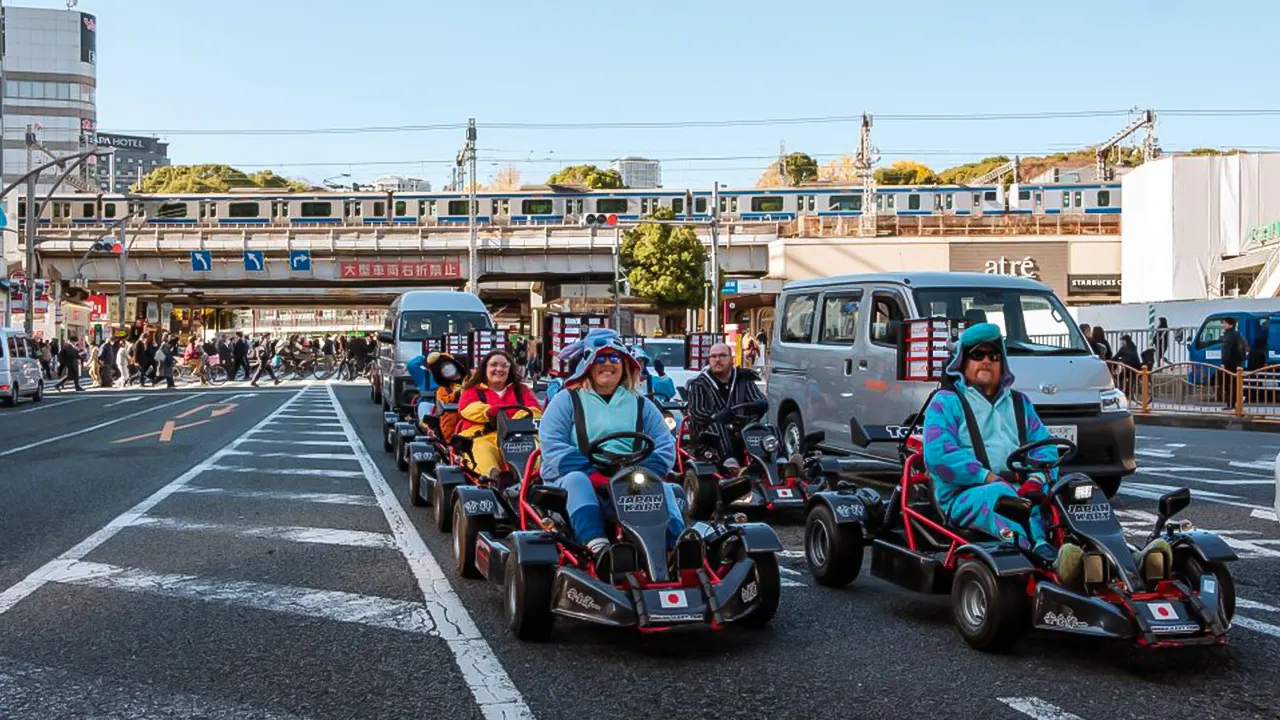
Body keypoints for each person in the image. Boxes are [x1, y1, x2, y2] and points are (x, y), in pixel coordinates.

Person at [538, 328, 683, 566]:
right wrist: (592, 472)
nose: (608, 364)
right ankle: (597, 547)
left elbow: (665, 444)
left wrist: (648, 470)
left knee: (663, 489)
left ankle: (676, 546)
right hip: (580, 476)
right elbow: (551, 443)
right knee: (577, 481)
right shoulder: (567, 399)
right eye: (600, 358)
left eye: (614, 358)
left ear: (625, 365)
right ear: (587, 364)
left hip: (631, 475)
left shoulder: (640, 403)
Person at [457, 350, 542, 480]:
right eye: (494, 365)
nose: (499, 369)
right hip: (483, 436)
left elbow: (535, 410)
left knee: (537, 452)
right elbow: (467, 408)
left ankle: (534, 479)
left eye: (504, 365)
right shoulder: (473, 390)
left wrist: (516, 419)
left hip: (518, 438)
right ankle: (495, 478)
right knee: (483, 451)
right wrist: (489, 412)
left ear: (510, 369)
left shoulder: (522, 390)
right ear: (485, 368)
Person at [685, 341, 767, 473]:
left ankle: (781, 461)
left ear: (731, 359)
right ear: (709, 360)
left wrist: (760, 404)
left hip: (740, 431)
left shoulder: (743, 380)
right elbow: (697, 413)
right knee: (719, 426)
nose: (717, 360)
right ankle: (731, 465)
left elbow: (758, 399)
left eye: (722, 356)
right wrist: (716, 417)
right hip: (708, 439)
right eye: (713, 356)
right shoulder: (700, 384)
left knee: (766, 428)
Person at [422, 351, 468, 442]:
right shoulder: (442, 391)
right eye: (442, 368)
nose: (447, 368)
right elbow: (446, 403)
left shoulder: (472, 378)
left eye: (447, 364)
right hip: (455, 432)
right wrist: (460, 392)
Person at [1220, 316, 1247, 410]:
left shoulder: (1228, 336)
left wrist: (1223, 362)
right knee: (1236, 383)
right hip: (1238, 363)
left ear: (1230, 325)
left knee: (1227, 384)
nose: (1223, 325)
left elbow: (1226, 350)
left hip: (1229, 363)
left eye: (1225, 323)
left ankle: (1230, 404)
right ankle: (1236, 401)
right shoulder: (1238, 334)